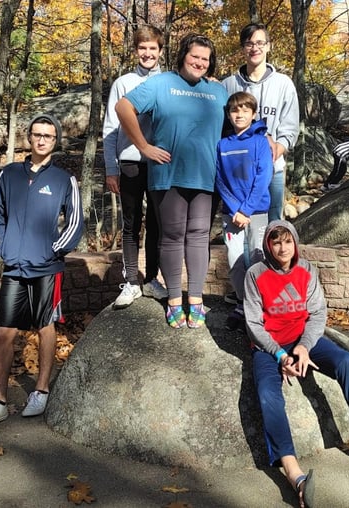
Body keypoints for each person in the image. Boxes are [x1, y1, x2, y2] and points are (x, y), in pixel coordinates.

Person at [244, 220, 349, 507]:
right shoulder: (255, 274)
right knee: (268, 394)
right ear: (268, 245)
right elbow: (254, 324)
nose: (282, 248)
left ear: (295, 242)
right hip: (269, 347)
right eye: (276, 242)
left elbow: (318, 314)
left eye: (287, 241)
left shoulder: (306, 270)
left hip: (304, 340)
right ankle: (293, 472)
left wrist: (304, 348)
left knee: (346, 361)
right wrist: (281, 356)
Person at [0, 113, 83, 430]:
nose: (41, 140)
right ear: (29, 137)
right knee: (4, 332)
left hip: (47, 267)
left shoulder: (64, 180)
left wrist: (53, 249)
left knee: (44, 327)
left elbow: (75, 223)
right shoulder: (9, 175)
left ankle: (41, 389)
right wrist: (4, 248)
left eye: (48, 136)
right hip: (14, 268)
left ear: (55, 140)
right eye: (37, 134)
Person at [115, 33, 228, 329]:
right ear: (183, 56)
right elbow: (123, 108)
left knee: (200, 236)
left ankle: (196, 299)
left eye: (205, 59)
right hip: (168, 175)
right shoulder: (161, 83)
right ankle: (174, 300)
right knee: (172, 236)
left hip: (206, 176)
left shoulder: (217, 92)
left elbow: (238, 122)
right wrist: (143, 146)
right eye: (195, 57)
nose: (200, 63)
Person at [103, 25, 168, 309]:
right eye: (142, 48)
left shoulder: (170, 82)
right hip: (129, 161)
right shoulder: (123, 82)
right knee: (131, 224)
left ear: (160, 52)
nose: (147, 53)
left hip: (159, 163)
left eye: (153, 48)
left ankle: (152, 278)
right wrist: (110, 168)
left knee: (157, 222)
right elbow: (110, 129)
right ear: (135, 51)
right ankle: (131, 281)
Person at [222, 23, 300, 223]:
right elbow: (222, 128)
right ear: (243, 48)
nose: (254, 48)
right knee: (239, 221)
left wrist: (275, 151)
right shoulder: (228, 85)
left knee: (272, 223)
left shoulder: (283, 84)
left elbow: (290, 128)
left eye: (259, 43)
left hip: (273, 169)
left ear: (268, 46)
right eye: (249, 44)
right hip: (237, 171)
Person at [215, 91, 273, 332]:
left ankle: (258, 304)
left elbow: (264, 176)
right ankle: (241, 302)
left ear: (253, 114)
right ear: (228, 115)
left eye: (244, 110)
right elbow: (219, 179)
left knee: (258, 257)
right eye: (234, 110)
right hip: (232, 214)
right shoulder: (222, 144)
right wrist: (235, 210)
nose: (239, 114)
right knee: (235, 259)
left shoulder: (260, 141)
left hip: (257, 210)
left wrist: (247, 209)